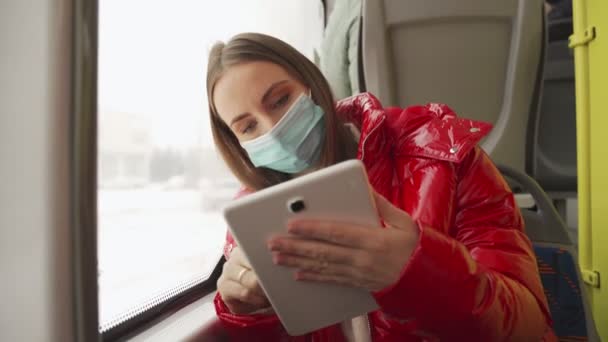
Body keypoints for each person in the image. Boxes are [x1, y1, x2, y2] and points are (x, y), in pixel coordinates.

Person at [206, 32, 555, 341]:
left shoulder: (440, 154)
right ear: (237, 144)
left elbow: (524, 323)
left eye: (280, 100)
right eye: (248, 127)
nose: (273, 128)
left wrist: (418, 272)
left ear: (312, 85)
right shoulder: (250, 227)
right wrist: (248, 313)